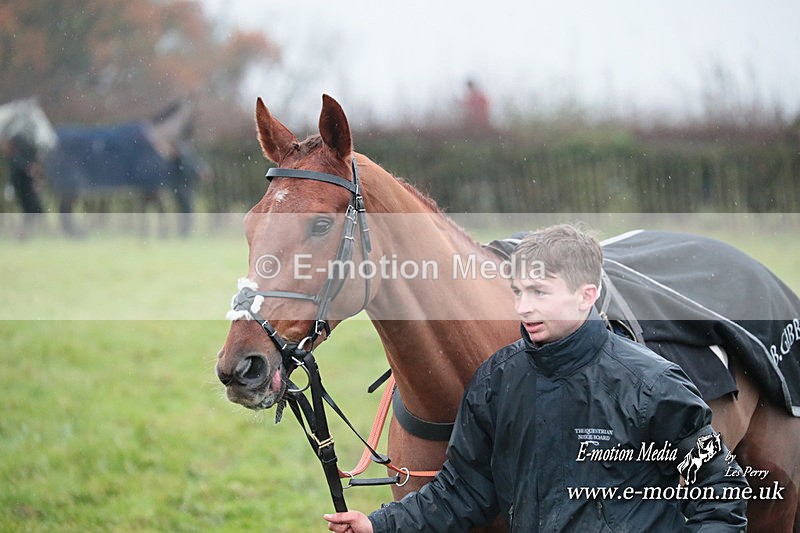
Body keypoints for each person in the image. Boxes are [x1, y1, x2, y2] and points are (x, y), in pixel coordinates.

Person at [325, 223, 748, 532]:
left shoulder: (652, 385)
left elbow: (720, 493)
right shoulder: (496, 381)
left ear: (587, 295)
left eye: (539, 292)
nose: (524, 308)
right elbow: (463, 490)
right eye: (518, 292)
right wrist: (378, 525)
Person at [3, 133, 44, 238]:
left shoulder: (27, 142)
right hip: (21, 183)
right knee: (30, 208)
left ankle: (26, 232)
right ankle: (23, 233)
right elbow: (17, 162)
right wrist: (28, 167)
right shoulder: (18, 141)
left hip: (26, 182)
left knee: (34, 208)